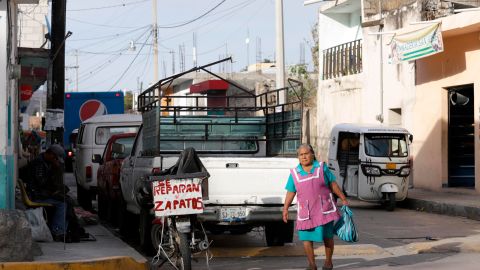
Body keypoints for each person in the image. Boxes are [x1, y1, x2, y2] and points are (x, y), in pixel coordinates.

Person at [283, 144, 348, 270]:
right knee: (306, 239)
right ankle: (312, 265)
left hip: (324, 210)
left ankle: (328, 262)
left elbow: (333, 184)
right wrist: (285, 208)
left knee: (327, 236)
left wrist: (343, 198)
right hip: (306, 212)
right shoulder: (294, 174)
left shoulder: (322, 168)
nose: (304, 157)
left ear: (312, 154)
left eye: (306, 153)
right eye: (301, 155)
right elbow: (291, 191)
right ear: (298, 157)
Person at [19, 144, 87, 242]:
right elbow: (41, 183)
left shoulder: (45, 162)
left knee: (67, 200)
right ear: (50, 154)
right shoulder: (39, 163)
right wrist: (54, 170)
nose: (55, 160)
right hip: (36, 195)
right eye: (55, 158)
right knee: (62, 203)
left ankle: (68, 229)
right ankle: (58, 231)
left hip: (40, 192)